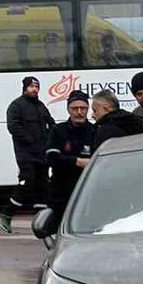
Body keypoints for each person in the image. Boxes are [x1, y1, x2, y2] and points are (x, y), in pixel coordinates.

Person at [0, 76, 55, 233]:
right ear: (25, 88)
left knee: (43, 186)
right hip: (26, 154)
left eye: (37, 87)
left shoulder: (41, 106)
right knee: (27, 182)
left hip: (42, 153)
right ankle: (6, 214)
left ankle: (41, 222)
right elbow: (13, 127)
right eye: (31, 86)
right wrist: (30, 140)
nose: (35, 89)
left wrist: (51, 138)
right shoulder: (16, 106)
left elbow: (51, 123)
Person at [44, 90, 95, 228]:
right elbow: (51, 158)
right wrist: (77, 162)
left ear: (88, 109)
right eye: (75, 108)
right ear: (68, 109)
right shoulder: (57, 131)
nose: (79, 112)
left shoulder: (95, 131)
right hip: (62, 196)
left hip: (89, 196)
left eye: (83, 108)